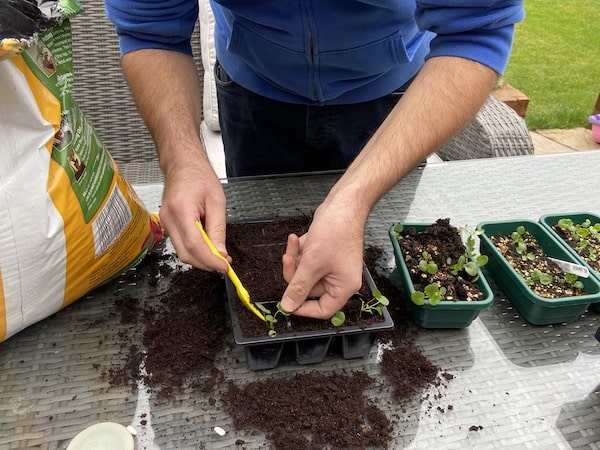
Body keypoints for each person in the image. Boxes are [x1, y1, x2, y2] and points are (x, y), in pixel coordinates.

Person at [104, 0, 524, 319]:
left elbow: (476, 31)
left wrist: (353, 200)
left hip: (395, 105)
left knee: (372, 259)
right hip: (254, 93)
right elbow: (152, 30)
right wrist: (181, 160)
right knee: (256, 249)